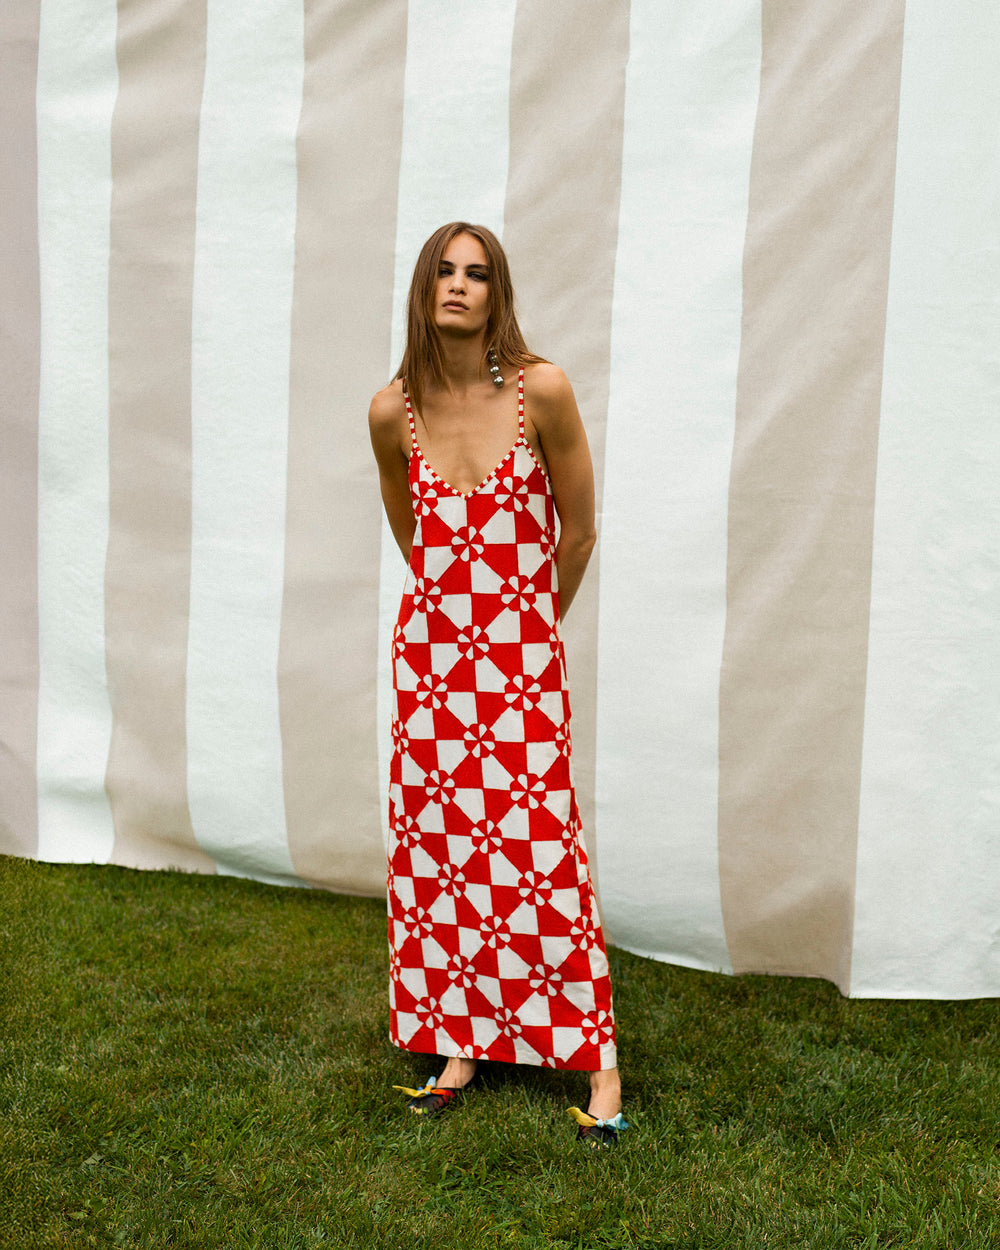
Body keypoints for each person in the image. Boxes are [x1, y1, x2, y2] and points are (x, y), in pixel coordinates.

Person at [368, 222, 627, 1147]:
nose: (459, 285)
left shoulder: (539, 391)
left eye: (477, 274)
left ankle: (599, 1063)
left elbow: (581, 531)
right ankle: (458, 1044)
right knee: (440, 853)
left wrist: (525, 629)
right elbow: (416, 540)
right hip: (433, 666)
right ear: (422, 286)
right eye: (444, 270)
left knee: (538, 850)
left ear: (498, 292)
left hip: (519, 664)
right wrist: (455, 623)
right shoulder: (389, 410)